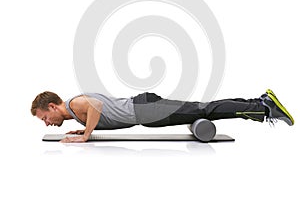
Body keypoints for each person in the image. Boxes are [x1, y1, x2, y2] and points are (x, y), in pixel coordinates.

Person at [31, 89, 294, 143]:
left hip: (145, 110)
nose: (46, 123)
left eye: (44, 117)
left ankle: (262, 107)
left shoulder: (76, 102)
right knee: (203, 108)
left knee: (205, 109)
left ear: (53, 106)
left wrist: (87, 135)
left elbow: (96, 105)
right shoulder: (77, 112)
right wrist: (83, 128)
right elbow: (99, 111)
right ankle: (259, 105)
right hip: (144, 108)